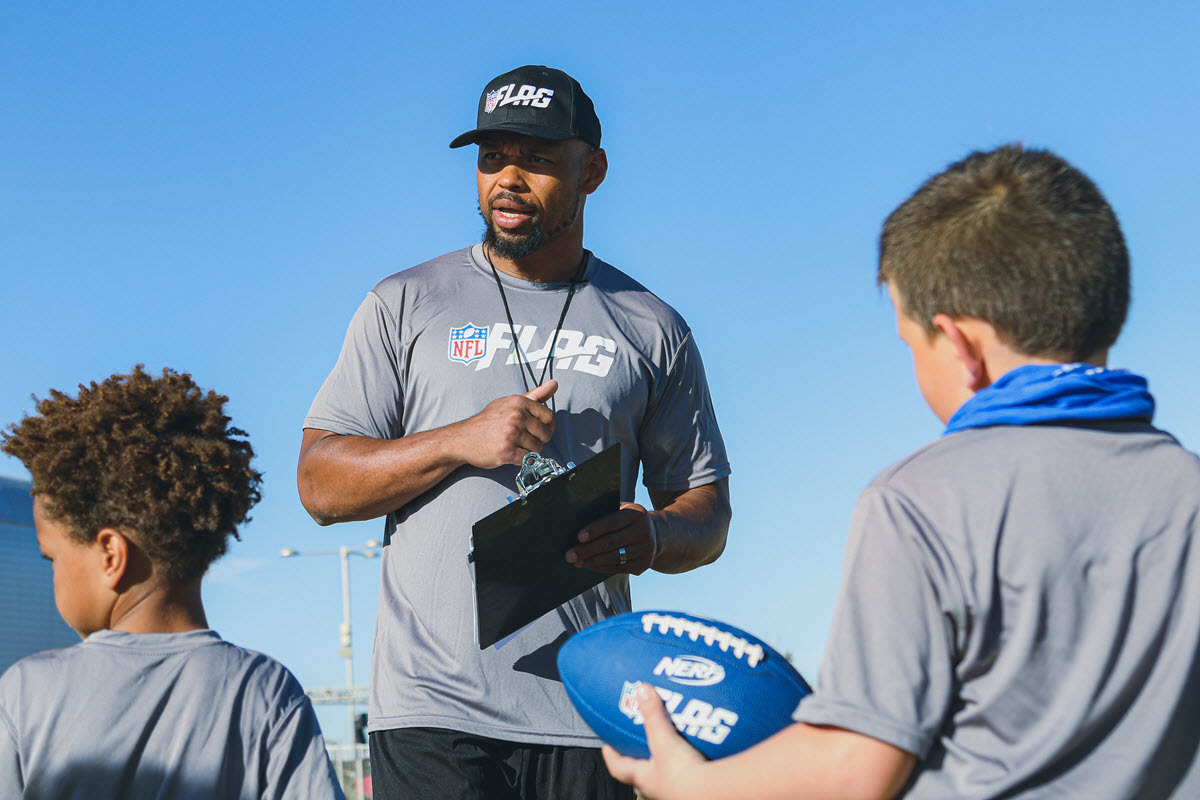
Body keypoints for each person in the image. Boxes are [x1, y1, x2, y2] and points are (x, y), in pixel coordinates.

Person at [603, 145, 1200, 799]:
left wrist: (688, 784)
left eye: (911, 346)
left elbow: (859, 768)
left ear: (960, 345)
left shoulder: (920, 499)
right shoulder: (1186, 486)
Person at [297, 64, 732, 799]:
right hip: (433, 712)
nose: (507, 180)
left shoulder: (653, 327)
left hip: (588, 708)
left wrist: (654, 536)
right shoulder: (404, 302)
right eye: (492, 158)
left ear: (591, 170)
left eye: (536, 160)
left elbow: (708, 511)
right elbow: (320, 484)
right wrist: (456, 439)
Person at [0, 366, 345, 799]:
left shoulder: (27, 693)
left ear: (111, 555)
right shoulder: (265, 691)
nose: (52, 571)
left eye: (51, 557)